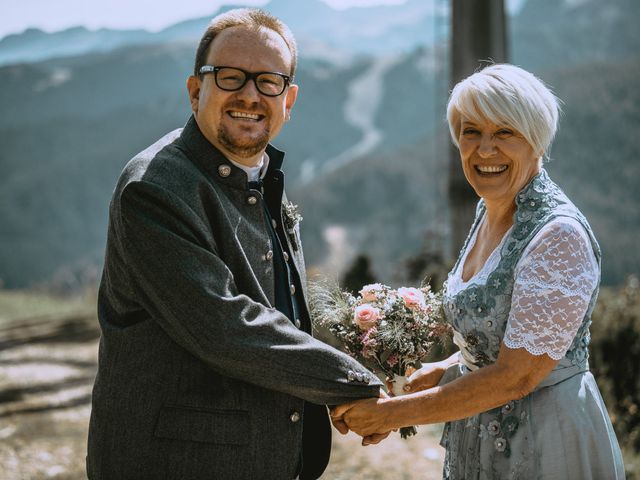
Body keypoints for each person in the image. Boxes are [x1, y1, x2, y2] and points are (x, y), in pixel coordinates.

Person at [86, 8, 385, 480]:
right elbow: (226, 328)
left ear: (289, 99)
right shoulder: (155, 188)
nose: (249, 94)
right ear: (194, 90)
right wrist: (355, 383)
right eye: (230, 77)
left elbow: (282, 310)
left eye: (268, 81)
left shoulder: (262, 175)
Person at [331, 64, 625, 479]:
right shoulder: (488, 212)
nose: (485, 150)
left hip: (545, 444)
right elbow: (501, 335)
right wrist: (447, 368)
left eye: (505, 132)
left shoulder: (558, 236)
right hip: (479, 435)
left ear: (536, 138)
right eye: (471, 132)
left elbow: (517, 375)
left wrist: (388, 415)